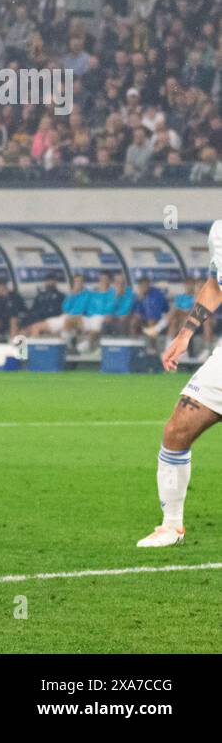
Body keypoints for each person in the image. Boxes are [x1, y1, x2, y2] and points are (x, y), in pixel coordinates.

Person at [138, 221, 222, 547]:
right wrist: (186, 333)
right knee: (177, 429)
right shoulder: (219, 230)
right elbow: (215, 285)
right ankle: (171, 527)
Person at [0, 279, 26, 344]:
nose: (3, 290)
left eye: (4, 288)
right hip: (1, 322)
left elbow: (21, 310)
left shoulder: (15, 297)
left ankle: (13, 343)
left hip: (15, 321)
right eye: (0, 289)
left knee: (13, 319)